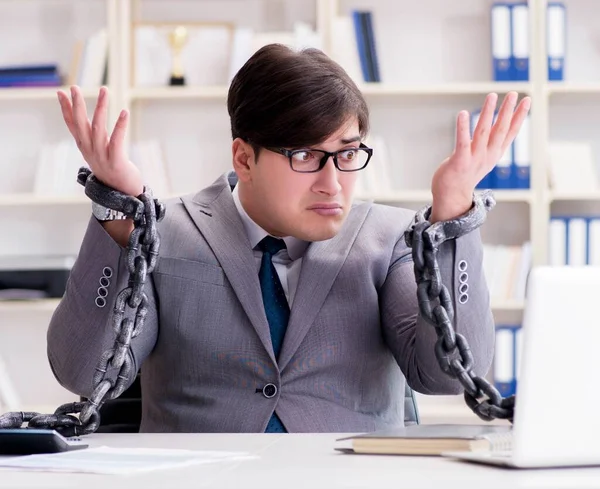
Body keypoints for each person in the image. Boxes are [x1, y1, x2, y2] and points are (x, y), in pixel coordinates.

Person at [48, 44, 530, 433]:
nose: (332, 181)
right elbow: (85, 373)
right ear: (244, 158)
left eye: (347, 153)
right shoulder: (166, 230)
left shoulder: (392, 238)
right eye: (304, 155)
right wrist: (118, 214)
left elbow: (447, 375)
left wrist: (453, 213)